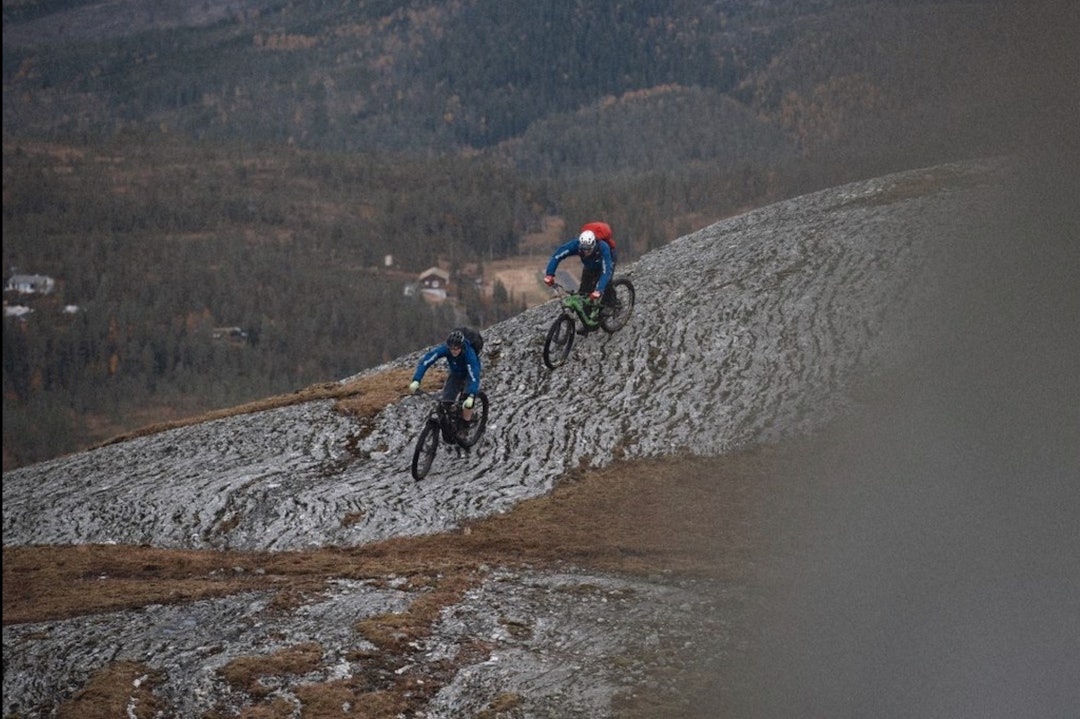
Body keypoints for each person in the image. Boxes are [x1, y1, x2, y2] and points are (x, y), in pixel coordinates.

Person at [543, 221, 617, 331]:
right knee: (584, 294)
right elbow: (557, 256)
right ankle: (588, 322)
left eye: (589, 249)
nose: (586, 252)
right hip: (590, 266)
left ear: (594, 245)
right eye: (583, 249)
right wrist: (550, 274)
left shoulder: (603, 247)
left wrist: (599, 290)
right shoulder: (576, 245)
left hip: (606, 263)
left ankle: (611, 304)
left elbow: (606, 272)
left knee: (606, 284)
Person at [408, 329, 482, 436]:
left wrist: (471, 395)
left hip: (469, 374)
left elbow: (473, 375)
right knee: (446, 402)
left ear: (461, 346)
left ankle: (466, 424)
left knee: (467, 402)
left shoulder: (469, 354)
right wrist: (416, 380)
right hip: (456, 374)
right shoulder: (446, 349)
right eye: (451, 349)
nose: (454, 351)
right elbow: (426, 361)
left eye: (456, 349)